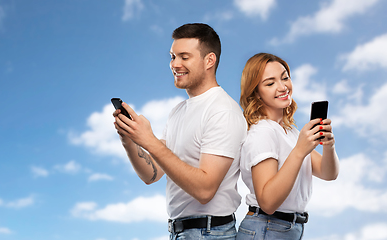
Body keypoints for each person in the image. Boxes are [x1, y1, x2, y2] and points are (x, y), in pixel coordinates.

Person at [113, 23, 247, 239]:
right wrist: (130, 139)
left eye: (184, 57)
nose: (175, 64)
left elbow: (205, 190)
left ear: (209, 61)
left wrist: (149, 140)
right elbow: (152, 174)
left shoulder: (223, 110)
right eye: (172, 56)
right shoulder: (178, 112)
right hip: (182, 232)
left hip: (210, 233)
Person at [236, 53, 340, 240]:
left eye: (285, 78)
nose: (282, 87)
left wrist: (329, 146)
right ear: (256, 93)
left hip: (285, 229)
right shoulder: (263, 132)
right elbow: (267, 202)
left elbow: (328, 173)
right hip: (266, 228)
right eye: (270, 83)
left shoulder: (290, 132)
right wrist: (299, 151)